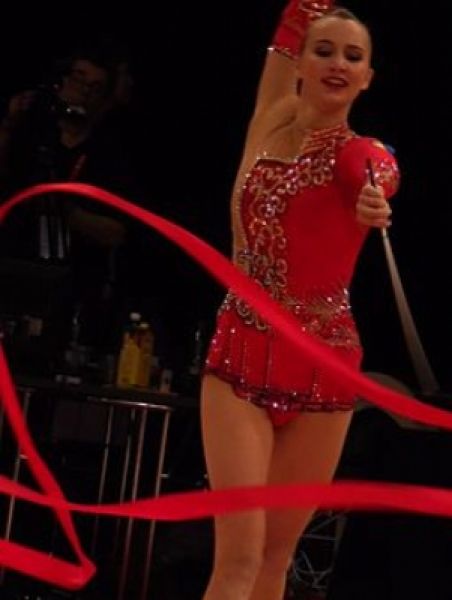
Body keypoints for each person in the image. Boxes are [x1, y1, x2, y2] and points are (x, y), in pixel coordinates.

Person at [201, 2, 399, 599]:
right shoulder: (267, 122)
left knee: (274, 559)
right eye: (324, 50)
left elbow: (376, 170)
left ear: (367, 77)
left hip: (324, 362)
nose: (338, 63)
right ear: (300, 64)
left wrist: (376, 193)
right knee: (238, 556)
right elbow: (292, 21)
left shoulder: (358, 155)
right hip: (242, 348)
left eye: (353, 56)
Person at [0, 40, 141, 358]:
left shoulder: (109, 153)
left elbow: (117, 232)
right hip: (14, 272)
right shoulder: (31, 134)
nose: (84, 92)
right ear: (61, 81)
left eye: (95, 87)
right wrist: (9, 124)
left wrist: (66, 211)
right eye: (78, 80)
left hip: (73, 291)